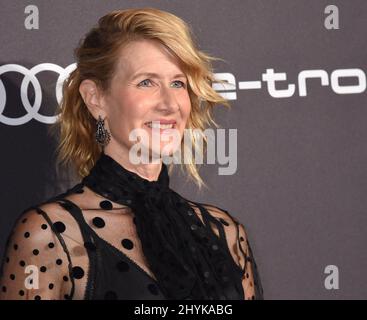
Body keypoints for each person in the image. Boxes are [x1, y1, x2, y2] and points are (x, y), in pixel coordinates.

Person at [0, 7, 263, 300]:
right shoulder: (51, 234)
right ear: (96, 98)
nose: (169, 104)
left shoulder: (223, 232)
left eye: (178, 83)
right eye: (146, 82)